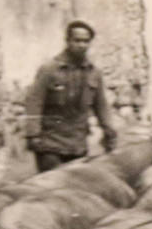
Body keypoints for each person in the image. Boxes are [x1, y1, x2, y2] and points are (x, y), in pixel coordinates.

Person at [25, 20, 116, 172]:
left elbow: (101, 106)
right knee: (52, 189)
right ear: (67, 41)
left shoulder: (93, 73)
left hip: (78, 144)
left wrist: (109, 133)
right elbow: (34, 102)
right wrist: (33, 135)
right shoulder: (50, 69)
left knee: (74, 190)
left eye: (86, 41)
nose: (82, 45)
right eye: (77, 40)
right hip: (50, 145)